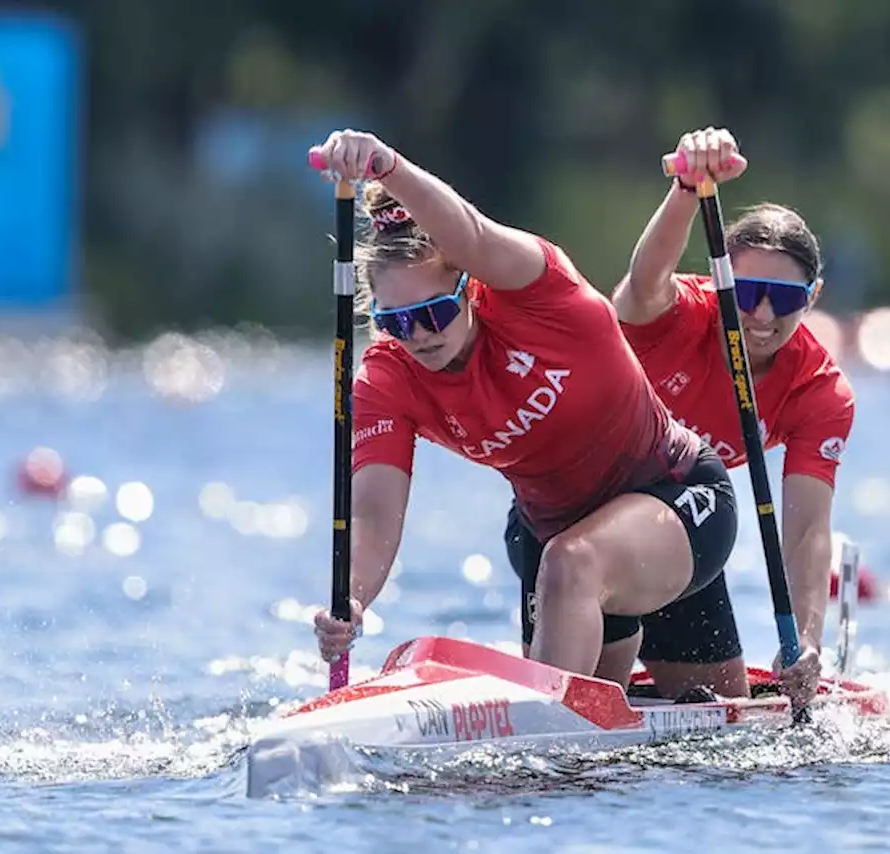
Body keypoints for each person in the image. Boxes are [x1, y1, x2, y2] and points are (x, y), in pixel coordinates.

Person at [309, 128, 741, 692]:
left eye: (434, 312)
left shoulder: (535, 290)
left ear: (468, 286)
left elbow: (471, 233)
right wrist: (352, 601)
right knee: (567, 582)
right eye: (394, 321)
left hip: (677, 498)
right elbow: (372, 512)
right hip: (552, 534)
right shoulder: (386, 378)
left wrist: (388, 166)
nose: (415, 335)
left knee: (572, 565)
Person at [606, 125, 854, 704]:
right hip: (582, 511)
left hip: (683, 529)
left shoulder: (821, 392)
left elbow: (807, 528)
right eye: (744, 294)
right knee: (591, 693)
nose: (763, 316)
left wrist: (809, 640)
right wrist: (688, 189)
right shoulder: (673, 314)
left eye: (787, 300)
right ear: (720, 281)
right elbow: (643, 281)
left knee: (722, 703)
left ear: (812, 297)